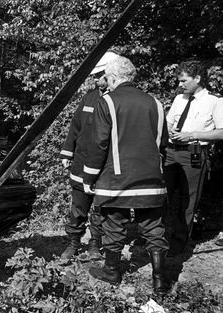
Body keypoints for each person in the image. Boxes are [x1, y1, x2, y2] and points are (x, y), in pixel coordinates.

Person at [82, 56, 170, 295]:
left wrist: (88, 177)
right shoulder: (156, 103)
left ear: (112, 78)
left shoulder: (108, 101)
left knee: (113, 224)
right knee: (154, 228)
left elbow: (98, 144)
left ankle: (111, 272)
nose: (106, 84)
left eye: (107, 79)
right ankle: (160, 281)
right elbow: (163, 143)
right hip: (151, 179)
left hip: (117, 180)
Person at [59, 51, 120, 261]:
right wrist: (67, 152)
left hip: (106, 166)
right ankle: (73, 243)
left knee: (101, 208)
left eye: (98, 75)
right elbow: (75, 127)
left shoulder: (119, 101)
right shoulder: (89, 97)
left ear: (111, 73)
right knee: (78, 206)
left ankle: (95, 243)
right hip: (81, 163)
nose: (94, 79)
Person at [164, 60, 223, 256]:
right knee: (163, 193)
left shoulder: (214, 101)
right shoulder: (179, 99)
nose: (180, 85)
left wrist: (193, 135)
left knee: (188, 199)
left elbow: (221, 132)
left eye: (184, 81)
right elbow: (168, 121)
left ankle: (178, 243)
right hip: (171, 151)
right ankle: (159, 237)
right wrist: (169, 129)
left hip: (194, 152)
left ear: (197, 79)